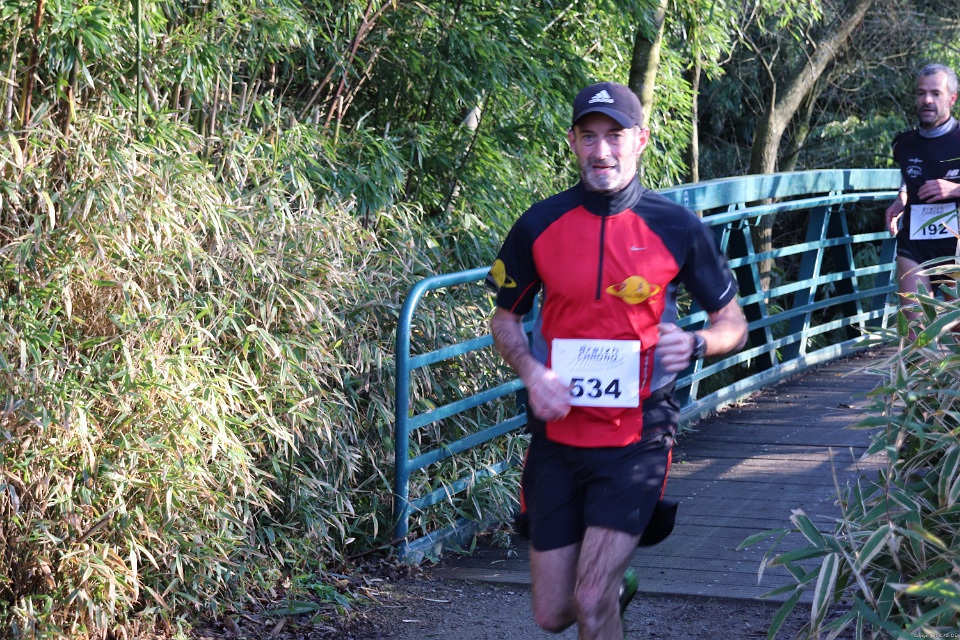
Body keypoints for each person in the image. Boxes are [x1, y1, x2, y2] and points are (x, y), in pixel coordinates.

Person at [486, 81, 748, 639]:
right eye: (589, 137)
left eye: (615, 136)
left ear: (641, 140)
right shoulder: (538, 224)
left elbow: (734, 323)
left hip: (637, 437)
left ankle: (603, 596)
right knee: (553, 614)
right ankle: (613, 591)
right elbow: (504, 319)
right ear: (573, 142)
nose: (601, 150)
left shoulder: (677, 226)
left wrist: (699, 342)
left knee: (590, 598)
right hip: (557, 437)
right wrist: (532, 373)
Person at [885, 63, 960, 322]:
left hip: (956, 248)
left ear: (952, 98)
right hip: (915, 245)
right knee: (916, 332)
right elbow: (910, 172)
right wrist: (902, 196)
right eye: (921, 93)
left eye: (935, 93)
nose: (927, 100)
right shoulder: (903, 143)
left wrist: (955, 189)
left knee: (956, 333)